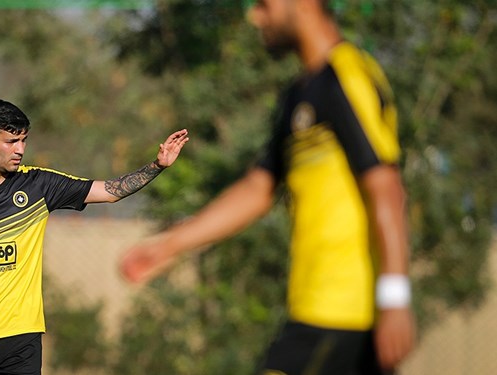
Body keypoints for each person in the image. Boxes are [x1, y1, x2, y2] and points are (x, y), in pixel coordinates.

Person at [119, 0, 416, 374]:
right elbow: (257, 190)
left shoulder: (346, 77)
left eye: (264, 4)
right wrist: (168, 246)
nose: (255, 15)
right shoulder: (299, 94)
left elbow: (386, 186)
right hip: (315, 312)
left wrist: (394, 299)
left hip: (344, 314)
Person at [0, 98, 188, 375]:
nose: (20, 149)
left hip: (22, 337)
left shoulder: (39, 184)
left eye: (24, 140)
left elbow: (109, 192)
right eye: (11, 141)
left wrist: (156, 166)